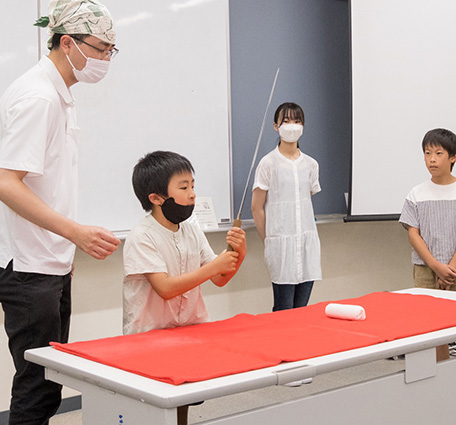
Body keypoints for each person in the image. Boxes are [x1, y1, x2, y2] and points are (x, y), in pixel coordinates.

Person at [0, 1, 120, 423]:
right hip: (30, 268)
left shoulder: (58, 93)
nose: (107, 59)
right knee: (37, 388)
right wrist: (75, 233)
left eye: (111, 51)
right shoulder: (38, 97)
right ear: (67, 43)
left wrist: (65, 250)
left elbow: (48, 185)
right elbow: (5, 183)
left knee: (46, 384)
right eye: (102, 48)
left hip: (48, 262)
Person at [123, 150, 246, 425]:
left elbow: (219, 278)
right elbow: (165, 288)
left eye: (193, 185)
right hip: (149, 336)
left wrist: (238, 254)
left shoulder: (191, 228)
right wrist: (215, 266)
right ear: (156, 198)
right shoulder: (141, 236)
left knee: (184, 397)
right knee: (155, 403)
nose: (192, 194)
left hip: (189, 330)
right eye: (183, 187)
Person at [399, 128, 456, 362]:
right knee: (433, 325)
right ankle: (441, 370)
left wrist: (450, 267)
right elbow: (413, 234)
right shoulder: (416, 193)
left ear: (453, 157)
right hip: (425, 269)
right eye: (427, 153)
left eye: (438, 153)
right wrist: (436, 266)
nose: (431, 159)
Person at [251, 102, 322, 315]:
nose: (292, 126)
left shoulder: (311, 164)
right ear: (276, 126)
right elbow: (256, 208)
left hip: (306, 245)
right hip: (281, 246)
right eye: (286, 121)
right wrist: (270, 239)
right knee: (283, 311)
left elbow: (304, 200)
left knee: (302, 311)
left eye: (297, 121)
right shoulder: (268, 163)